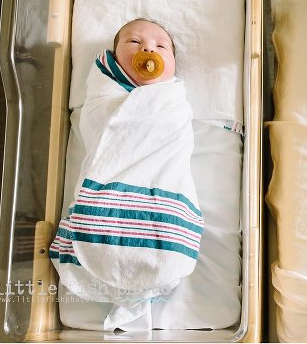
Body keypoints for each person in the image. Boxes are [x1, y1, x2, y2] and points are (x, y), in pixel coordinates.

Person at [50, 18, 201, 328]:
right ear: (114, 58)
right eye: (134, 42)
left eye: (161, 46)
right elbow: (98, 127)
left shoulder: (172, 101)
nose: (148, 48)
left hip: (161, 187)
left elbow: (173, 145)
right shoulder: (102, 96)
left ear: (172, 64)